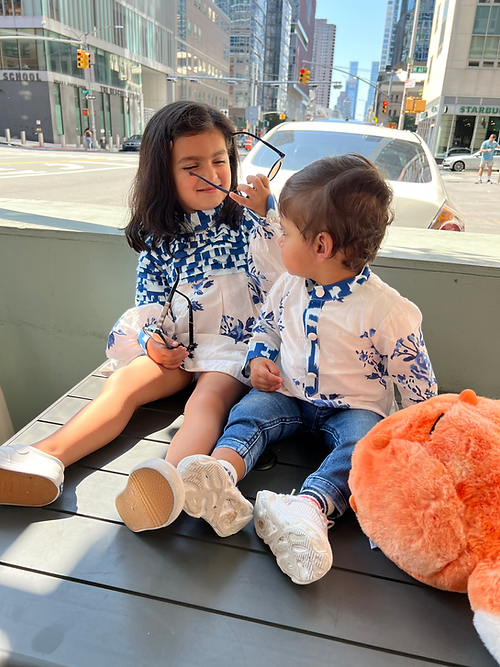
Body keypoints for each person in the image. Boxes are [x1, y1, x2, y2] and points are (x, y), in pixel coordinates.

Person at [0, 102, 283, 538]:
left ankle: (168, 484)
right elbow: (149, 303)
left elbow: (283, 273)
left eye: (219, 160)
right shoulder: (159, 238)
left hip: (235, 346)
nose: (211, 173)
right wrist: (152, 341)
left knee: (206, 400)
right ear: (162, 175)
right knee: (124, 382)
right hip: (180, 344)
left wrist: (267, 213)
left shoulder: (248, 222)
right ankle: (47, 455)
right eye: (191, 165)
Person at [176, 154, 438, 584]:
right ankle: (219, 475)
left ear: (320, 247)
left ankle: (309, 508)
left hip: (353, 409)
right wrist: (259, 359)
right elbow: (267, 328)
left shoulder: (388, 311)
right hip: (289, 394)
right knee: (249, 411)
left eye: (285, 232)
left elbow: (417, 384)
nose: (279, 239)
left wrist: (418, 443)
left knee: (364, 449)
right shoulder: (288, 286)